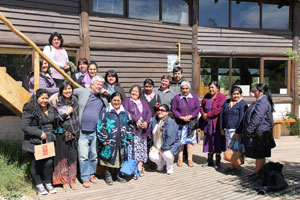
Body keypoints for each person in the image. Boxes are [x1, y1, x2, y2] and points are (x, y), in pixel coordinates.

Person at [51, 75, 109, 188]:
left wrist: (108, 92)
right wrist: (54, 96)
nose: (99, 87)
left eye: (101, 85)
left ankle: (92, 174)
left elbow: (116, 98)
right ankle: (85, 177)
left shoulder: (103, 98)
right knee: (83, 156)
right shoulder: (83, 91)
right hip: (81, 130)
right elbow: (67, 90)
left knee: (94, 155)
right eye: (97, 84)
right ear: (91, 84)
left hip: (95, 132)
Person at [21, 89, 56, 195]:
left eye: (46, 98)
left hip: (48, 140)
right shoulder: (30, 108)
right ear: (37, 98)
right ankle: (39, 185)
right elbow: (24, 126)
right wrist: (39, 133)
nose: (45, 100)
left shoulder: (50, 107)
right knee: (35, 163)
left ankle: (48, 183)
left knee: (49, 163)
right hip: (34, 141)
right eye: (42, 98)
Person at [97, 92, 133, 185]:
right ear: (111, 100)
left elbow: (130, 125)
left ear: (121, 101)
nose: (116, 102)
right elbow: (101, 125)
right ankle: (108, 176)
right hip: (109, 140)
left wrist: (129, 138)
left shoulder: (125, 112)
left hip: (122, 140)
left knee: (119, 158)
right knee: (108, 158)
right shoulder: (106, 110)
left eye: (118, 100)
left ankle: (118, 175)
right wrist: (103, 139)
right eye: (114, 100)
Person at [52, 81, 80, 190]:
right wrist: (66, 113)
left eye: (69, 88)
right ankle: (64, 180)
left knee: (72, 156)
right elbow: (55, 119)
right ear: (61, 91)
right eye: (65, 89)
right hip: (61, 132)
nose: (67, 91)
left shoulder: (75, 100)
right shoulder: (57, 102)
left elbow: (76, 116)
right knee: (62, 156)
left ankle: (72, 179)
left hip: (73, 132)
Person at [242, 83, 275, 176]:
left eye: (255, 91)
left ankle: (259, 174)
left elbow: (258, 117)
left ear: (262, 92)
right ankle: (259, 172)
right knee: (259, 153)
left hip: (261, 132)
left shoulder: (263, 101)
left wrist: (249, 129)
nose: (253, 93)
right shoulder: (260, 100)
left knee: (260, 153)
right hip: (259, 131)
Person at [123, 85, 152, 178]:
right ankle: (133, 167)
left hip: (142, 130)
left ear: (139, 94)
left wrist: (147, 122)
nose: (134, 93)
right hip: (132, 129)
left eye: (136, 91)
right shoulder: (127, 101)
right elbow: (126, 111)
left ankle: (140, 166)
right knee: (133, 149)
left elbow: (149, 112)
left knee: (142, 148)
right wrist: (136, 120)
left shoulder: (143, 102)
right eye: (132, 91)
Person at [220, 86, 248, 174]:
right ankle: (232, 165)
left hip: (236, 130)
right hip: (227, 129)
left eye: (238, 94)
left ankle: (237, 166)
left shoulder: (243, 104)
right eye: (234, 94)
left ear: (240, 94)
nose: (236, 96)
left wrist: (238, 132)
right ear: (231, 94)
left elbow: (242, 119)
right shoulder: (227, 102)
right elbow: (222, 115)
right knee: (229, 148)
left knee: (237, 149)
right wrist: (221, 128)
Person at [171, 81, 200, 167]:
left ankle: (190, 159)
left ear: (189, 89)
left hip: (191, 123)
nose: (185, 90)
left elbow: (197, 108)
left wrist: (191, 116)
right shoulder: (177, 98)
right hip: (180, 123)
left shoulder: (194, 97)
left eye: (186, 88)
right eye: (183, 88)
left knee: (190, 142)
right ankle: (180, 159)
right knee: (181, 142)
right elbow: (174, 109)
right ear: (181, 89)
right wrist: (181, 117)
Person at [200, 81, 226, 169]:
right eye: (210, 87)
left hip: (217, 122)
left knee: (217, 140)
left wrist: (208, 115)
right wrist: (203, 114)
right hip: (207, 122)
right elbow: (201, 106)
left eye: (212, 87)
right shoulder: (207, 96)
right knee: (209, 139)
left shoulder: (221, 97)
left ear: (217, 88)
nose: (211, 89)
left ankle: (218, 161)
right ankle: (209, 160)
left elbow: (219, 109)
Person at [149, 104, 181, 174]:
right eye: (159, 110)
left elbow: (170, 140)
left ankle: (170, 166)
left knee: (167, 154)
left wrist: (162, 149)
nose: (160, 112)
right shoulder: (155, 120)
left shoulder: (170, 123)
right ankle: (161, 163)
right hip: (157, 145)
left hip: (169, 146)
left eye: (162, 110)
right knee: (152, 156)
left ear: (167, 113)